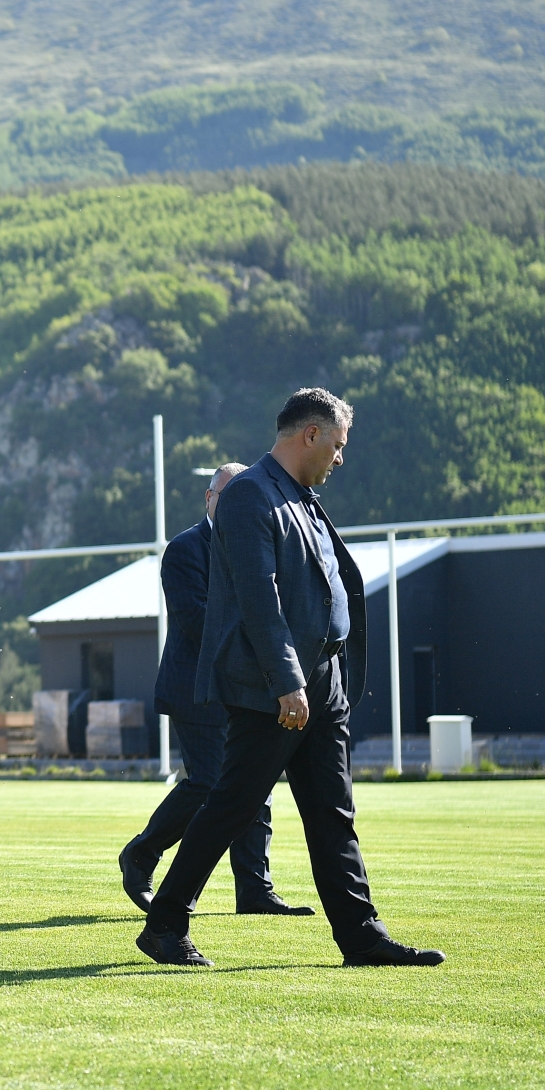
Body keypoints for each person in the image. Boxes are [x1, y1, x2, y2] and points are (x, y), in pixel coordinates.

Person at [138, 389, 445, 968]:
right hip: (274, 685)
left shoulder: (299, 496)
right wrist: (288, 681)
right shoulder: (251, 494)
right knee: (232, 805)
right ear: (309, 434)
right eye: (337, 444)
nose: (340, 457)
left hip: (321, 680)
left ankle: (360, 936)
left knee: (334, 811)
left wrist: (321, 675)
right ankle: (165, 924)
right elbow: (259, 598)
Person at [118, 463, 313, 919]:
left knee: (255, 784)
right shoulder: (185, 550)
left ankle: (255, 890)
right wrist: (264, 647)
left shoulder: (264, 544)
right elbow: (198, 620)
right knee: (207, 782)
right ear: (209, 500)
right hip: (197, 689)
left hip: (250, 686)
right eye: (226, 496)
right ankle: (142, 855)